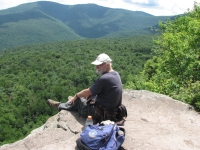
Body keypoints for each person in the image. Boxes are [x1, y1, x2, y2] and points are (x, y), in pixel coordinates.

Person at [47, 53, 123, 124]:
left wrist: (76, 96)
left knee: (79, 100)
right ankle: (68, 103)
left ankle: (59, 106)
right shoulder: (115, 74)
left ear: (108, 64)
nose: (97, 67)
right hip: (114, 110)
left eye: (99, 65)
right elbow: (93, 90)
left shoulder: (104, 78)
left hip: (104, 113)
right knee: (88, 95)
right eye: (96, 65)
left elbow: (87, 92)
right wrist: (89, 94)